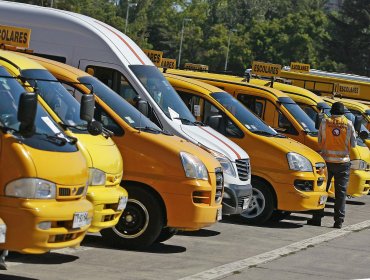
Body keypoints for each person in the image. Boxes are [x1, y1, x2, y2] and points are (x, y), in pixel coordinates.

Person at [307, 101, 356, 228]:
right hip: (343, 163)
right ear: (343, 113)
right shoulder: (348, 124)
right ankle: (338, 221)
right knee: (341, 194)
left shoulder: (324, 122)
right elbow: (354, 144)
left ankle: (317, 218)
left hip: (326, 162)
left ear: (332, 112)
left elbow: (319, 141)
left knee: (322, 191)